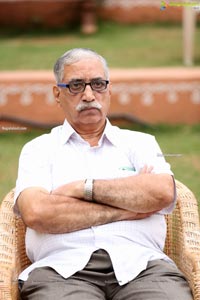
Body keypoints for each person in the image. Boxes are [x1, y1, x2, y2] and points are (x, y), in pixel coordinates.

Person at [14, 48, 193, 300]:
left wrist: (82, 188)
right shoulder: (38, 149)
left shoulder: (140, 142)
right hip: (61, 270)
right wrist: (127, 208)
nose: (89, 95)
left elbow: (162, 193)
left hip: (142, 267)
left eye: (98, 84)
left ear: (109, 89)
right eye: (76, 85)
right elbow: (37, 212)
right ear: (58, 93)